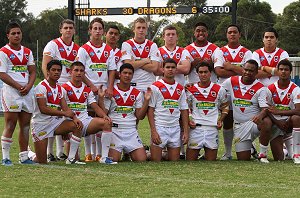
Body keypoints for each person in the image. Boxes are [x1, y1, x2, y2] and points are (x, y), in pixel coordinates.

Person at [76, 17, 116, 162]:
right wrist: (90, 85)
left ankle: (99, 153)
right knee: (89, 120)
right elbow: (80, 70)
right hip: (87, 89)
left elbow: (112, 70)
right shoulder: (83, 49)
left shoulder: (108, 49)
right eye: (95, 28)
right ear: (90, 31)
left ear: (103, 31)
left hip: (103, 90)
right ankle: (88, 153)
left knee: (101, 119)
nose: (98, 31)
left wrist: (110, 87)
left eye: (100, 29)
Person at [62, 61, 117, 164]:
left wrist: (105, 116)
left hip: (85, 122)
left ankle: (104, 158)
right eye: (76, 70)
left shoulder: (87, 90)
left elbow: (95, 107)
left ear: (84, 73)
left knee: (106, 123)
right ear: (70, 72)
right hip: (69, 123)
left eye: (81, 71)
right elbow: (61, 109)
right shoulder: (63, 88)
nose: (79, 73)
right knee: (75, 158)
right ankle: (70, 158)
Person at [31, 60, 83, 164]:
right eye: (53, 70)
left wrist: (75, 118)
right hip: (40, 124)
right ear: (48, 71)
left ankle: (71, 159)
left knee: (77, 125)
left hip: (55, 123)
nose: (56, 72)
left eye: (59, 70)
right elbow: (43, 109)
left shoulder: (61, 89)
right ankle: (30, 154)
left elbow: (65, 108)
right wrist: (64, 114)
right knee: (41, 161)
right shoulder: (41, 87)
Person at [42, 19, 80, 162]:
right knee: (52, 117)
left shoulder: (77, 48)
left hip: (69, 87)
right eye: (66, 28)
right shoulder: (53, 44)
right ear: (60, 30)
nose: (68, 30)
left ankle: (60, 152)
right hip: (55, 87)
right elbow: (45, 65)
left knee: (64, 118)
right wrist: (49, 85)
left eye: (71, 28)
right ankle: (49, 152)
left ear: (74, 30)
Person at [0, 22, 36, 166]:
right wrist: (19, 86)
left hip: (26, 92)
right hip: (11, 92)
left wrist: (28, 86)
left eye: (18, 33)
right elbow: (2, 74)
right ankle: (6, 157)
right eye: (13, 33)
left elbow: (33, 71)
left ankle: (24, 156)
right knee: (10, 123)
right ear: (8, 35)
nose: (16, 35)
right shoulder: (3, 51)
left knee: (25, 125)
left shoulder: (27, 51)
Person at [98, 63, 150, 162]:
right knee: (114, 159)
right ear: (119, 75)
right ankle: (124, 152)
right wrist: (101, 99)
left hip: (131, 131)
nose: (127, 75)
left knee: (141, 160)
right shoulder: (111, 91)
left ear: (133, 75)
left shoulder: (137, 93)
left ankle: (129, 152)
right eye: (125, 73)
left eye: (130, 73)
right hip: (115, 131)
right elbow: (104, 112)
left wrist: (146, 101)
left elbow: (140, 116)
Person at [222, 59, 272, 162]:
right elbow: (217, 90)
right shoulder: (232, 81)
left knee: (266, 121)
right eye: (246, 70)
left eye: (251, 71)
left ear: (256, 73)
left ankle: (262, 155)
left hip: (253, 124)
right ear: (242, 69)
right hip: (239, 126)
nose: (247, 73)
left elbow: (265, 109)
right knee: (243, 159)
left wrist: (260, 115)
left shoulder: (261, 88)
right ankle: (251, 149)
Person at [217, 24, 253, 160]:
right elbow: (219, 71)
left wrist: (230, 66)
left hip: (243, 90)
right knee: (227, 120)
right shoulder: (220, 51)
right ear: (226, 35)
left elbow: (250, 72)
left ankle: (251, 148)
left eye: (235, 32)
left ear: (239, 35)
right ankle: (227, 152)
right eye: (229, 32)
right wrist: (240, 69)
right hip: (225, 90)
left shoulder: (247, 52)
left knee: (244, 119)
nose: (232, 34)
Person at [157, 25, 191, 159]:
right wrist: (177, 67)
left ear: (177, 36)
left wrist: (166, 68)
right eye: (168, 34)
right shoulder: (158, 50)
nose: (170, 36)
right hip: (162, 90)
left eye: (173, 34)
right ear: (163, 36)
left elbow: (187, 68)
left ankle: (180, 150)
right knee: (162, 118)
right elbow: (155, 69)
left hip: (179, 89)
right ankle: (162, 147)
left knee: (180, 119)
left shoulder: (184, 51)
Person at [186, 61, 229, 161]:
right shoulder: (190, 89)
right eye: (200, 72)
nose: (203, 74)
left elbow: (225, 106)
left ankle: (204, 155)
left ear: (211, 73)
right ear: (197, 74)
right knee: (190, 161)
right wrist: (188, 120)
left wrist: (220, 120)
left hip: (212, 128)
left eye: (206, 72)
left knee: (211, 161)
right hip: (196, 129)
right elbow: (184, 108)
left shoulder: (219, 89)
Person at [148, 58, 189, 161]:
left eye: (173, 67)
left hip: (175, 128)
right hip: (160, 127)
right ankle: (148, 153)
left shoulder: (180, 88)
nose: (170, 69)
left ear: (176, 70)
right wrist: (153, 131)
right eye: (168, 67)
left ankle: (163, 152)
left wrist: (186, 131)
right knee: (155, 160)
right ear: (162, 69)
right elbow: (150, 110)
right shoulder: (155, 87)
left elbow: (184, 110)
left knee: (174, 161)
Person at [266, 59, 300, 163]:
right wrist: (277, 121)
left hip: (289, 122)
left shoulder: (296, 88)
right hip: (276, 123)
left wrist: (279, 112)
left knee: (296, 118)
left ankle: (296, 154)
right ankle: (286, 151)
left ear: (290, 72)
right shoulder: (270, 88)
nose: (283, 72)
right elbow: (266, 110)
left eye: (286, 69)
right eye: (281, 69)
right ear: (277, 71)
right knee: (279, 158)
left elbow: (298, 110)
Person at [121, 17, 160, 92]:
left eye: (143, 28)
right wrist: (145, 61)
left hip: (149, 85)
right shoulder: (126, 44)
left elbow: (154, 68)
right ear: (134, 29)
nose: (141, 30)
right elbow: (128, 66)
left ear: (146, 30)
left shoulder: (153, 45)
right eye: (138, 27)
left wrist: (135, 61)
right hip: (132, 85)